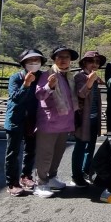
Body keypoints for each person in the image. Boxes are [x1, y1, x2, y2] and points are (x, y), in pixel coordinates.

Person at [33, 45, 79, 198]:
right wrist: (49, 86)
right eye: (60, 57)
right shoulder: (47, 75)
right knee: (45, 154)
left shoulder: (69, 76)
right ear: (54, 59)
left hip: (65, 123)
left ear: (70, 60)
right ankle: (40, 183)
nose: (64, 60)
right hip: (49, 122)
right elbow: (40, 95)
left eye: (67, 57)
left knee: (58, 153)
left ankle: (52, 177)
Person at [4, 49, 46, 196]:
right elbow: (16, 98)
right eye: (30, 60)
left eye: (37, 60)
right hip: (15, 119)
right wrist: (26, 84)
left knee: (31, 149)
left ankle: (26, 176)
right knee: (13, 152)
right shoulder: (16, 78)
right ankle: (12, 183)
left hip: (33, 119)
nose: (34, 63)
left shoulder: (42, 77)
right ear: (23, 63)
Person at [71, 51, 106, 188]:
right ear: (84, 62)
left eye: (97, 62)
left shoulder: (94, 76)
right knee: (80, 147)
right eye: (91, 61)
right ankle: (76, 176)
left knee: (90, 146)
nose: (94, 64)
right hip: (83, 119)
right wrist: (90, 81)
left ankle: (86, 170)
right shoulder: (80, 76)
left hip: (94, 117)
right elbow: (81, 94)